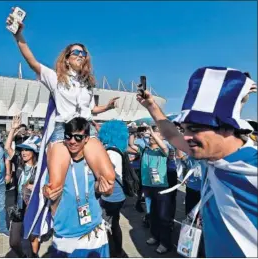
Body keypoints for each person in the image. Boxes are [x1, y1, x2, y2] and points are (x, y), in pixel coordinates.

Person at [136, 66, 257, 257]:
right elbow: (170, 133)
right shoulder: (209, 156)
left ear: (227, 128)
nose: (185, 137)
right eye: (184, 129)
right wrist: (151, 106)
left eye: (194, 128)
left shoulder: (252, 168)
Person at [6, 8, 116, 214]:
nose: (81, 56)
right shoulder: (55, 78)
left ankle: (89, 205)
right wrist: (18, 35)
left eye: (83, 53)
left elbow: (91, 109)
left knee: (109, 181)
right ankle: (59, 225)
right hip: (62, 131)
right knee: (54, 188)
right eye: (76, 52)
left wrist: (108, 107)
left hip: (86, 132)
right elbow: (31, 61)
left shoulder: (87, 84)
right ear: (66, 58)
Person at [42, 117, 111, 257]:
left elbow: (98, 189)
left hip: (93, 231)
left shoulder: (93, 161)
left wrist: (102, 188)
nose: (72, 141)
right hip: (66, 233)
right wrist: (45, 192)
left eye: (78, 137)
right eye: (68, 136)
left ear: (86, 138)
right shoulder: (57, 163)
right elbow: (39, 189)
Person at [129, 126, 172, 254]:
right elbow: (131, 144)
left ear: (162, 137)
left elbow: (164, 148)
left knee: (163, 216)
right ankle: (155, 236)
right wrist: (133, 131)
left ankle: (165, 243)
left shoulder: (163, 150)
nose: (151, 136)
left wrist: (153, 133)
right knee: (152, 214)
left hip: (161, 188)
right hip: (147, 186)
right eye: (151, 134)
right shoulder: (144, 149)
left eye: (156, 134)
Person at [5, 115, 42, 258]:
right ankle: (22, 256)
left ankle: (34, 255)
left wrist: (37, 188)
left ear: (34, 153)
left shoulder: (40, 169)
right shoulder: (19, 164)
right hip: (18, 208)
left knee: (33, 237)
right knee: (14, 242)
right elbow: (8, 148)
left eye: (27, 150)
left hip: (33, 208)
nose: (24, 152)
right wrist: (13, 129)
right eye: (23, 150)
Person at [98, 120, 129, 258]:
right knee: (114, 223)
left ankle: (114, 251)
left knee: (107, 224)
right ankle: (117, 251)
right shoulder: (117, 149)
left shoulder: (110, 152)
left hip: (111, 195)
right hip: (118, 194)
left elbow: (106, 172)